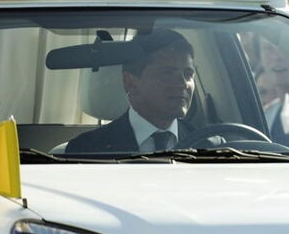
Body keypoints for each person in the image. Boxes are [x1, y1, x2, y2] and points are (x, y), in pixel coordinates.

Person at [65, 30, 207, 153]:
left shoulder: (208, 144)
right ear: (130, 82)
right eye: (167, 73)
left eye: (188, 74)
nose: (182, 84)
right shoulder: (86, 148)